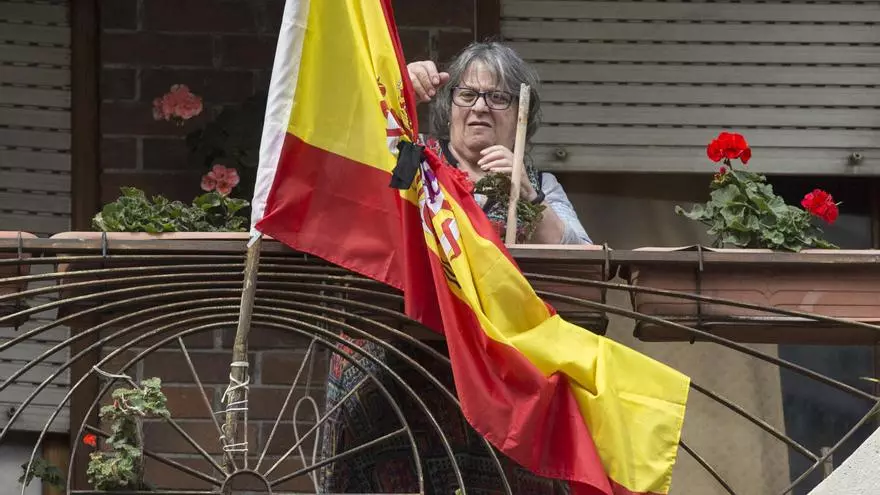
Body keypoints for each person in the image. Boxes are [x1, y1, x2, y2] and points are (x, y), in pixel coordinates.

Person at [318, 42, 591, 494]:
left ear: (521, 113)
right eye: (468, 94)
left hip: (497, 380)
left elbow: (581, 260)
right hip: (395, 366)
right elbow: (357, 182)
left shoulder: (539, 183)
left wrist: (527, 195)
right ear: (449, 105)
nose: (480, 107)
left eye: (498, 97)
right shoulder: (414, 157)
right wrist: (395, 94)